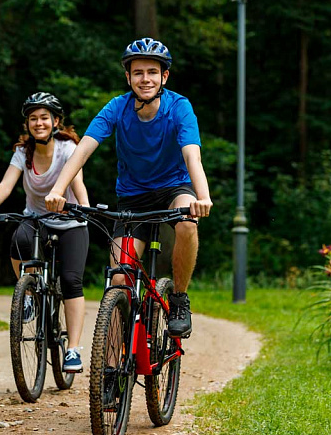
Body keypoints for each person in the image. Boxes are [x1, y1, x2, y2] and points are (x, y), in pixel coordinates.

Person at [45, 38, 213, 338]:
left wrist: (203, 197)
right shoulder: (116, 108)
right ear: (128, 77)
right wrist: (57, 190)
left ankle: (179, 300)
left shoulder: (179, 107)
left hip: (174, 188)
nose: (145, 78)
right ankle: (109, 368)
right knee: (119, 278)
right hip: (132, 197)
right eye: (138, 72)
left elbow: (192, 155)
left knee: (188, 224)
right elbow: (82, 150)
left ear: (164, 77)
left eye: (152, 71)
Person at [0, 92, 90, 372]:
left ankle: (73, 349)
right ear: (27, 124)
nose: (38, 123)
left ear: (56, 121)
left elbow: (77, 183)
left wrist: (84, 208)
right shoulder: (23, 153)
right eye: (33, 118)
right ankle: (29, 294)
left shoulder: (68, 148)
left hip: (70, 221)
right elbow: (6, 184)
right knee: (18, 240)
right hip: (37, 219)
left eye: (44, 117)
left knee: (70, 281)